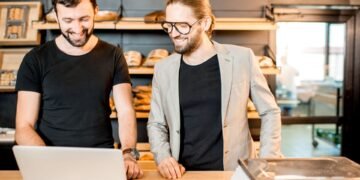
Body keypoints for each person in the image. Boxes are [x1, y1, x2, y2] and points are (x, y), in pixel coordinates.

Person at [147, 0, 282, 179]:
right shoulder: (163, 69)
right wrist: (163, 157)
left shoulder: (242, 58)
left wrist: (266, 160)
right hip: (183, 174)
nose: (173, 34)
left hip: (234, 172)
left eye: (181, 26)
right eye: (169, 26)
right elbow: (156, 123)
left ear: (205, 23)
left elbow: (270, 112)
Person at [14, 0, 142, 178]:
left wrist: (128, 153)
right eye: (67, 20)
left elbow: (126, 110)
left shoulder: (113, 55)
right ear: (56, 16)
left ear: (96, 11)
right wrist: (48, 162)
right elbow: (23, 127)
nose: (77, 28)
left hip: (101, 159)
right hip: (51, 161)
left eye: (84, 18)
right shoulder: (35, 59)